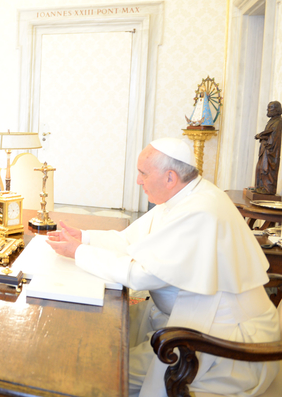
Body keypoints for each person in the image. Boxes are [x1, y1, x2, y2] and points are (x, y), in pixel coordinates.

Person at [46, 137, 280, 397]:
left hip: (221, 340)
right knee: (96, 338)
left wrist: (78, 252)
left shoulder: (200, 210)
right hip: (185, 319)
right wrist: (84, 238)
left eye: (143, 173)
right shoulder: (182, 197)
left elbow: (140, 274)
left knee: (103, 370)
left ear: (170, 177)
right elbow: (128, 241)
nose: (138, 180)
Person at [254, 100, 282, 195]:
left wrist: (262, 137)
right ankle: (260, 186)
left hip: (270, 151)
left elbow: (274, 137)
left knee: (266, 169)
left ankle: (267, 189)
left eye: (271, 108)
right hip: (265, 150)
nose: (268, 110)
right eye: (268, 107)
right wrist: (261, 136)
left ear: (277, 110)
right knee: (260, 168)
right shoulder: (272, 120)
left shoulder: (278, 121)